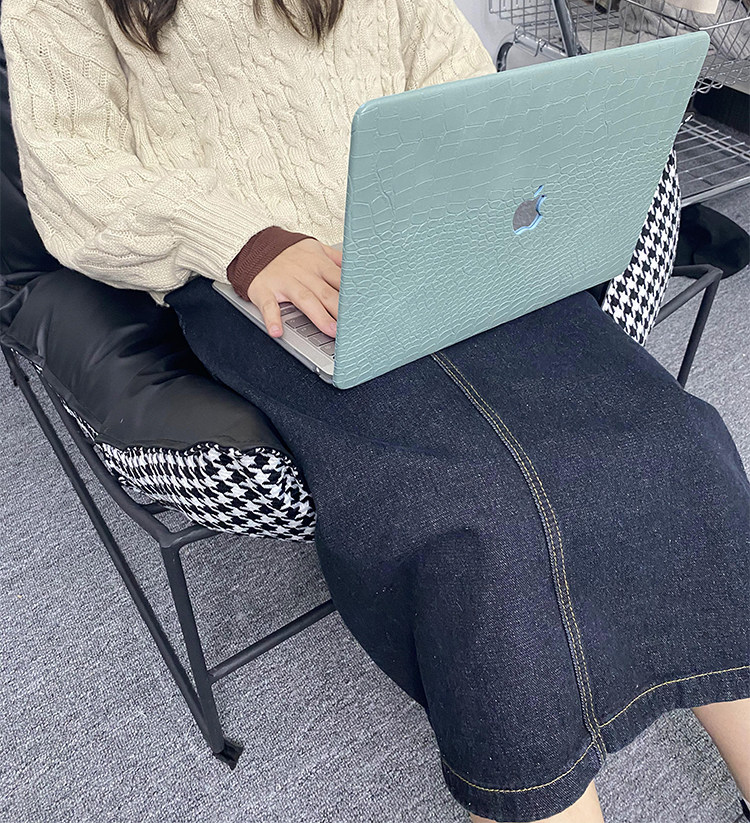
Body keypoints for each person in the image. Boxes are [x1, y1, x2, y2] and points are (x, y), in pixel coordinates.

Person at [1, 0, 748, 820]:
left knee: (677, 441)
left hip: (433, 232)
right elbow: (75, 179)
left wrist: (492, 189)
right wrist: (243, 242)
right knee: (472, 524)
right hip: (255, 283)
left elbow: (450, 78)